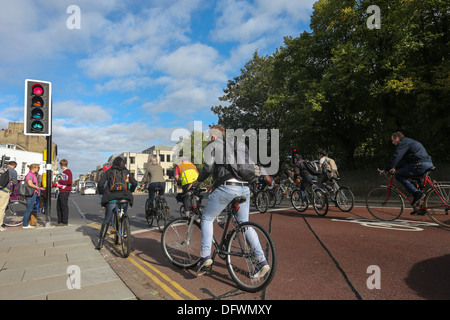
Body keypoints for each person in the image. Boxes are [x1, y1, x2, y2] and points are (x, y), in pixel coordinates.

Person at [192, 124, 269, 278]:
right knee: (244, 225)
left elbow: (208, 168)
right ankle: (261, 261)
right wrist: (213, 184)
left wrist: (198, 181)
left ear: (213, 136)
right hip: (244, 188)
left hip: (227, 188)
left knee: (207, 218)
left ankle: (205, 257)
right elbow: (233, 170)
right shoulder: (237, 145)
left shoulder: (213, 144)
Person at [382, 131, 434, 210]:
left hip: (419, 164)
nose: (392, 142)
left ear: (397, 138)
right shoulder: (410, 141)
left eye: (393, 140)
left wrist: (386, 168)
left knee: (399, 175)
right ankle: (422, 208)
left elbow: (396, 156)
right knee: (418, 184)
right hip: (427, 163)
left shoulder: (403, 143)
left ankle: (416, 194)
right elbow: (407, 160)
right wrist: (395, 167)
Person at [96, 157, 137, 249]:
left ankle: (100, 242)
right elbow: (134, 182)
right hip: (124, 197)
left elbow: (100, 184)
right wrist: (130, 190)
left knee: (107, 220)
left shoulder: (109, 172)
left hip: (112, 198)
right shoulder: (126, 172)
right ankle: (125, 230)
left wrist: (103, 193)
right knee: (124, 215)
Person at [23, 164, 45, 229]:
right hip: (31, 194)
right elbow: (30, 183)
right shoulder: (30, 175)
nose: (38, 169)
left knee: (30, 209)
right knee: (29, 209)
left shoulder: (33, 175)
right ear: (34, 168)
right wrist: (38, 188)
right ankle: (25, 224)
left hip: (33, 193)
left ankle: (26, 223)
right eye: (37, 168)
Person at [0, 161, 18, 231]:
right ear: (14, 166)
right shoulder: (13, 171)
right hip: (4, 190)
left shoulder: (1, 168)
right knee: (1, 208)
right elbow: (14, 182)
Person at [55, 159, 73, 226]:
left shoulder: (68, 172)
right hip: (61, 191)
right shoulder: (63, 172)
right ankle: (60, 221)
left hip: (65, 191)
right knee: (59, 207)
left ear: (61, 165)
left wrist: (60, 180)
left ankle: (64, 221)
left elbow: (69, 182)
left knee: (64, 207)